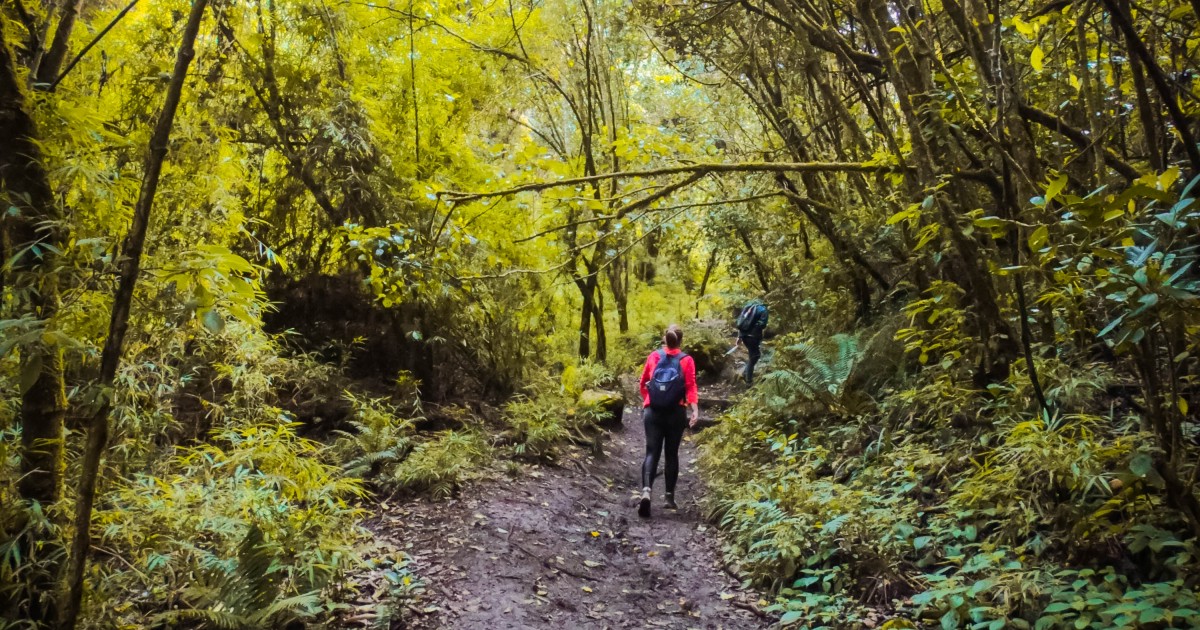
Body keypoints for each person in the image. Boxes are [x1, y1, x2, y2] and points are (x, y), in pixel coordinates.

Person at [636, 324, 699, 518]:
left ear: (665, 339)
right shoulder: (687, 360)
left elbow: (643, 382)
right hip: (676, 412)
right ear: (681, 340)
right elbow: (690, 386)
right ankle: (669, 497)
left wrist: (650, 399)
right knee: (671, 453)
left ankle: (646, 490)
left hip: (653, 411)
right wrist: (694, 410)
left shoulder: (654, 356)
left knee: (651, 451)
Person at [736, 299, 769, 385]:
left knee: (753, 355)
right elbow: (762, 324)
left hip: (744, 336)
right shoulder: (763, 309)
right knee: (755, 356)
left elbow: (741, 322)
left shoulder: (748, 308)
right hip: (753, 337)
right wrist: (755, 331)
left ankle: (746, 373)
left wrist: (739, 337)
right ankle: (748, 381)